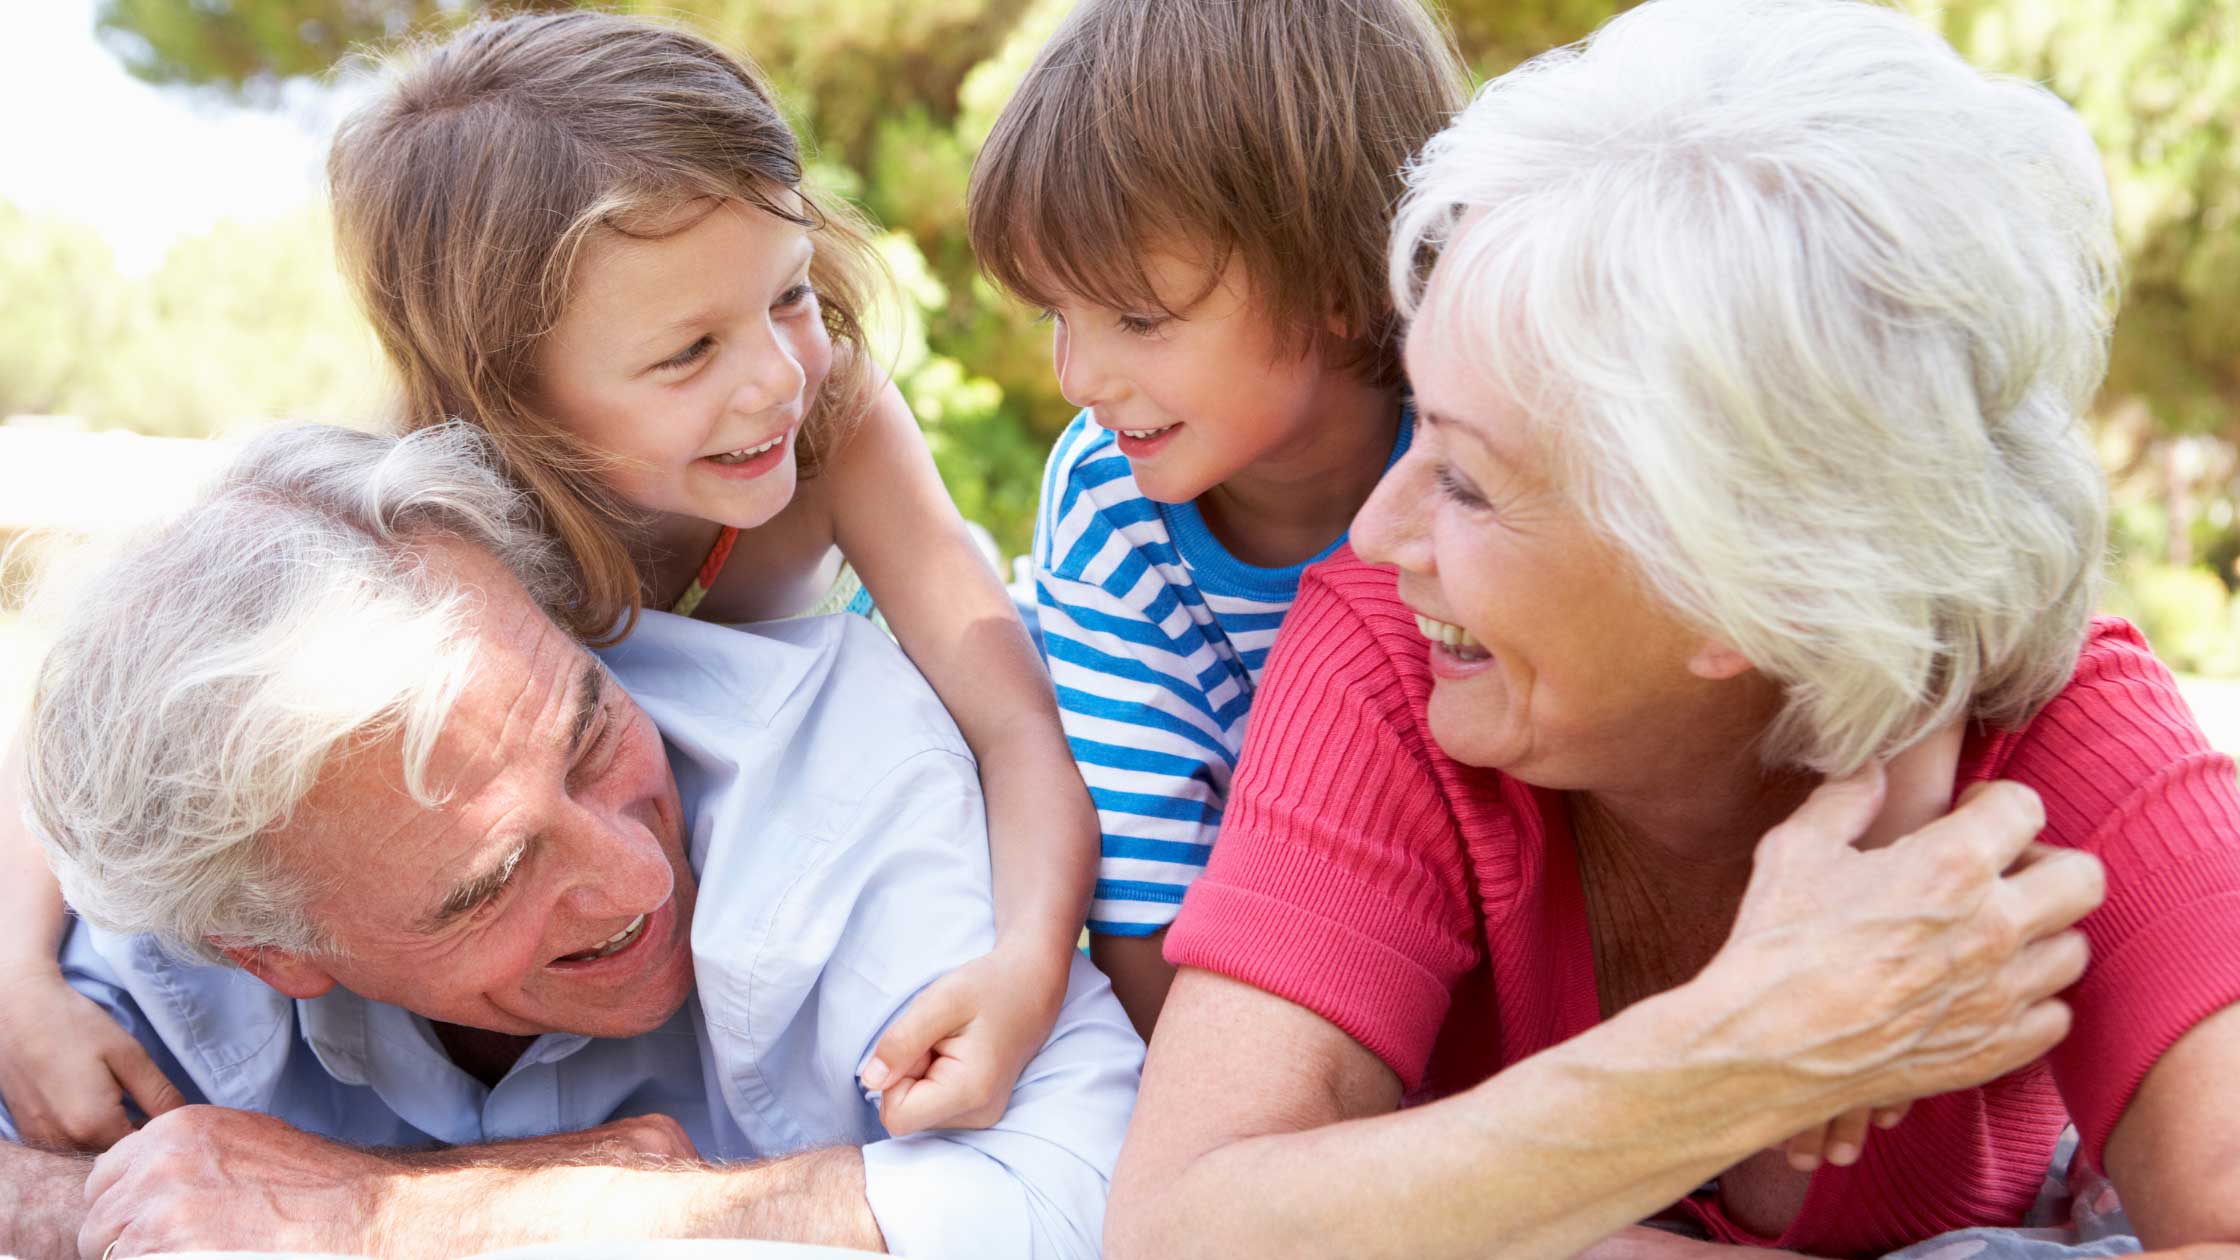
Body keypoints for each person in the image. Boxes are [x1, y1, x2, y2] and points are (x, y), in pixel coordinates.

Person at [1105, 0, 2240, 1256]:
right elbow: (1182, 1227)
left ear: (1740, 579)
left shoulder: (2060, 729)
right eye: (1413, 418)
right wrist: (1725, 1060)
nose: (1377, 532)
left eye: (1469, 480)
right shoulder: (1394, 656)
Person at [0, 10, 1097, 1151]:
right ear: (508, 389)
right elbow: (83, 719)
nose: (776, 378)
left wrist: (1024, 964)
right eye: (688, 352)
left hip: (854, 863)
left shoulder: (834, 423)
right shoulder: (429, 502)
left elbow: (1013, 721)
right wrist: (19, 977)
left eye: (789, 293)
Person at [0, 423, 1142, 1260]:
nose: (639, 877)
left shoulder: (847, 770)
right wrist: (101, 1205)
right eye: (490, 882)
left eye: (592, 736)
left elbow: (1105, 1192)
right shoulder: (182, 893)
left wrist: (386, 1212)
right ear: (266, 950)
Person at [965, 0, 1466, 1036]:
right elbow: (1147, 903)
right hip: (1257, 970)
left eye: (1137, 319)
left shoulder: (1473, 451)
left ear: (1335, 279)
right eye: (1056, 315)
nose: (1077, 376)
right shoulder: (1108, 503)